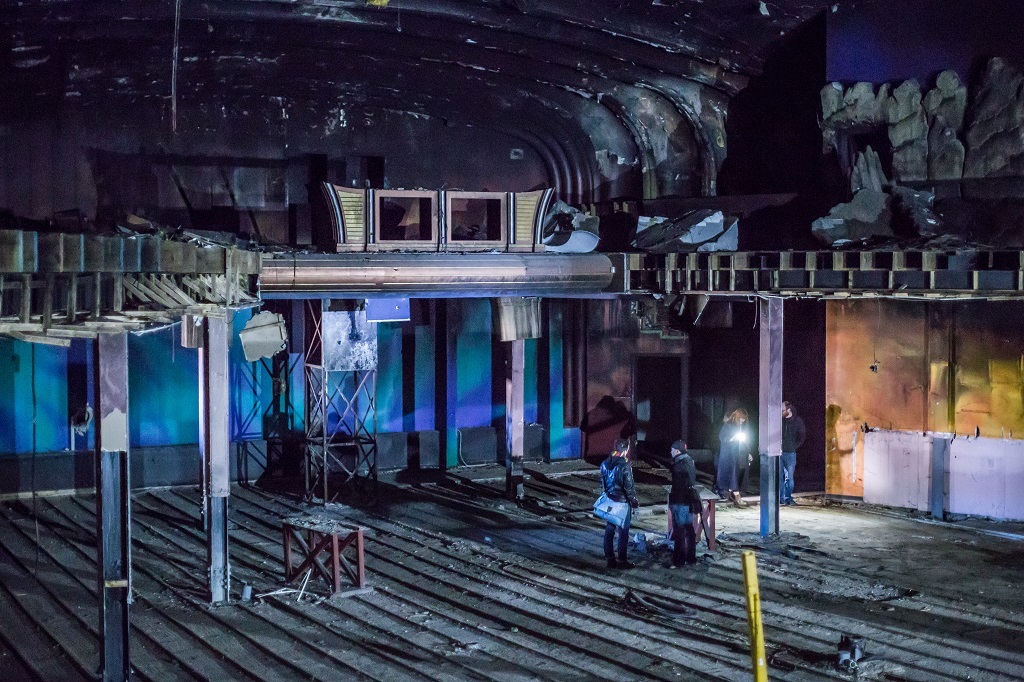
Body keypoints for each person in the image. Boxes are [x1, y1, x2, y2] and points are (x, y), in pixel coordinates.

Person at [600, 438, 639, 569]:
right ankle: (622, 560)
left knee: (609, 530)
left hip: (610, 501)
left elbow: (603, 484)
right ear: (626, 450)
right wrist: (634, 503)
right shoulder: (624, 466)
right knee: (623, 532)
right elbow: (629, 488)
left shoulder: (605, 463)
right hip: (622, 503)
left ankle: (610, 559)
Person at [667, 440, 698, 567]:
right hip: (690, 501)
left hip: (680, 502)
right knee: (689, 530)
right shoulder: (690, 462)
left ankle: (678, 561)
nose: (671, 452)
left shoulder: (678, 466)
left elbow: (677, 487)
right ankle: (691, 558)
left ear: (677, 451)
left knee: (679, 532)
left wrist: (672, 503)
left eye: (672, 450)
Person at [717, 408, 752, 507]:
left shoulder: (742, 427)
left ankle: (733, 493)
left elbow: (745, 442)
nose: (742, 421)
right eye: (741, 419)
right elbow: (722, 437)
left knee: (737, 475)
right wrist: (731, 439)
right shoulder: (728, 425)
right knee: (732, 475)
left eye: (744, 420)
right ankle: (736, 495)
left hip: (738, 455)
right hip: (728, 455)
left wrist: (748, 453)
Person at [781, 400, 807, 506]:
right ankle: (780, 498)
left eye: (783, 410)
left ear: (789, 409)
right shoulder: (780, 421)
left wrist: (794, 446)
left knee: (789, 477)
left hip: (790, 453)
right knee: (779, 477)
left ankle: (788, 498)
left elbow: (802, 436)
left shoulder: (797, 421)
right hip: (779, 453)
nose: (781, 412)